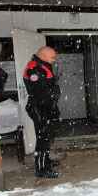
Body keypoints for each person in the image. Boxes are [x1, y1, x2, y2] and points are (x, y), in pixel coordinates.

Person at [23, 46, 61, 178]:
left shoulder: (42, 65)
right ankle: (41, 169)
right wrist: (54, 94)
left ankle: (46, 161)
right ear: (43, 55)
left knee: (46, 136)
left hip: (45, 107)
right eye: (52, 57)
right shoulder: (34, 68)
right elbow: (42, 92)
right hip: (39, 107)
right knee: (43, 137)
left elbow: (50, 88)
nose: (54, 59)